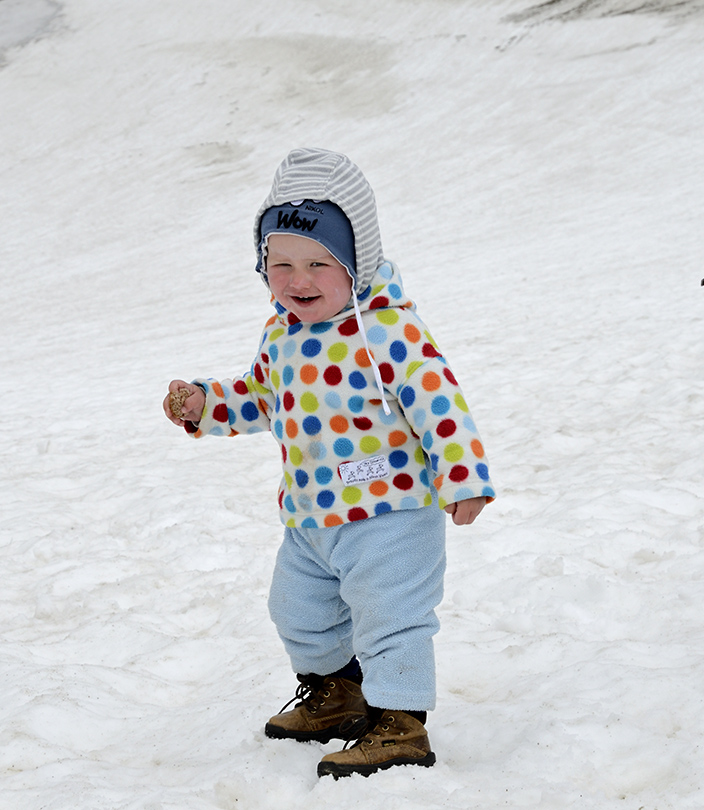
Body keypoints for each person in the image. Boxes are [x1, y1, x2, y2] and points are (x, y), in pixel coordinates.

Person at [163, 148, 495, 779]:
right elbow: (262, 396)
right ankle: (336, 695)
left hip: (391, 510)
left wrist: (463, 474)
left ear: (355, 264)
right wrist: (207, 403)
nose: (298, 279)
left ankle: (400, 724)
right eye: (280, 263)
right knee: (296, 610)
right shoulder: (281, 334)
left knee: (390, 617)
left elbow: (439, 402)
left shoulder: (389, 330)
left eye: (319, 262)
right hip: (313, 517)